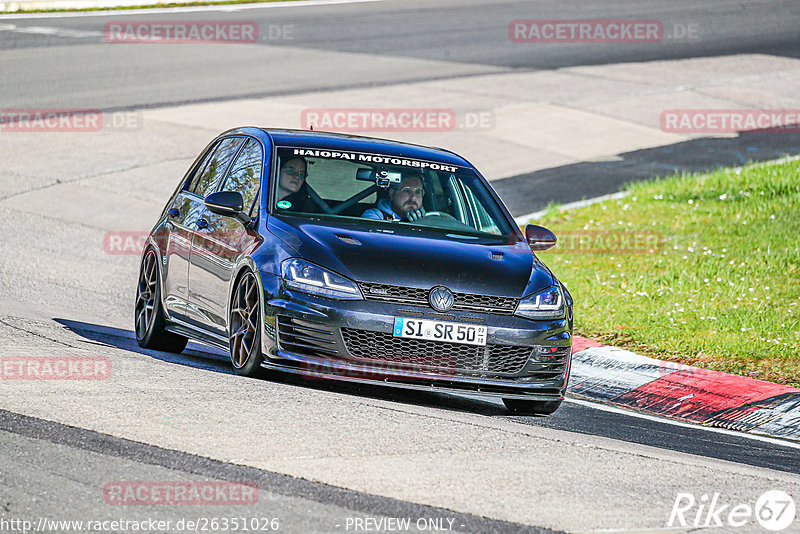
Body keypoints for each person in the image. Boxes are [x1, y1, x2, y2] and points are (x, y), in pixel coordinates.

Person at [362, 174, 427, 221]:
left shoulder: (430, 219)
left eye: (418, 192)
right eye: (406, 191)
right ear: (392, 193)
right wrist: (405, 224)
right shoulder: (375, 215)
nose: (413, 198)